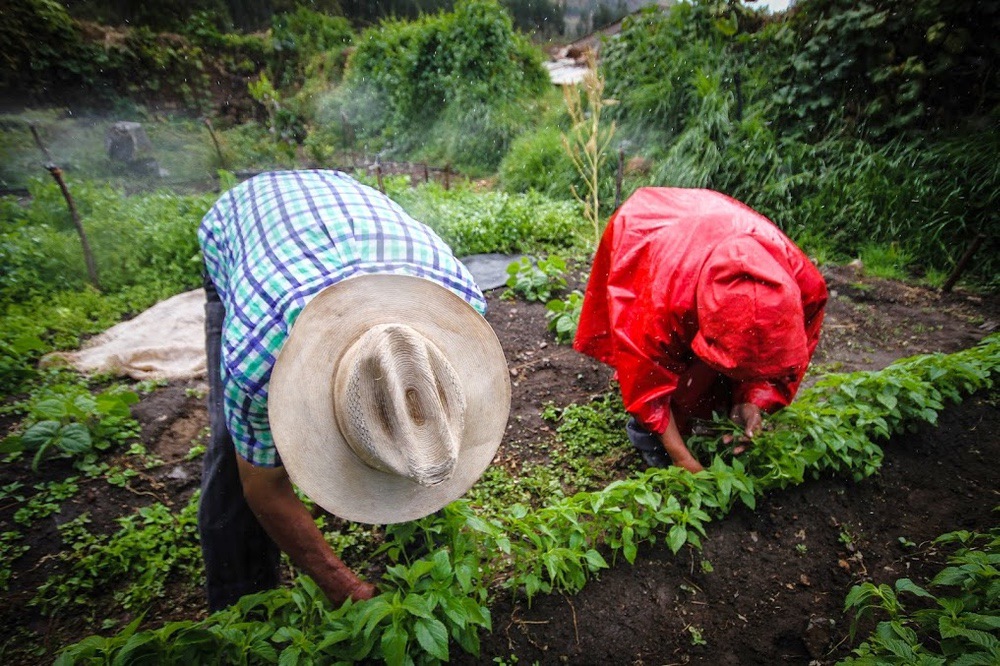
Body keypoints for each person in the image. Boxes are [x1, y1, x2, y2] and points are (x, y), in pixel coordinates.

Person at [198, 170, 510, 611]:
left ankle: (416, 542)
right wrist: (341, 585)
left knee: (413, 432)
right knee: (232, 454)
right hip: (242, 224)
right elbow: (263, 487)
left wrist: (412, 446)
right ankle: (240, 609)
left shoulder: (460, 305)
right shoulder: (255, 359)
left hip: (343, 200)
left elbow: (420, 405)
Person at [573, 187, 827, 473]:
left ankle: (718, 403)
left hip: (712, 229)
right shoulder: (660, 300)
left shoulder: (805, 288)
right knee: (667, 387)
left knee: (713, 389)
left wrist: (752, 399)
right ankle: (649, 438)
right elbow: (647, 379)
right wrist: (684, 461)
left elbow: (772, 357)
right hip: (645, 228)